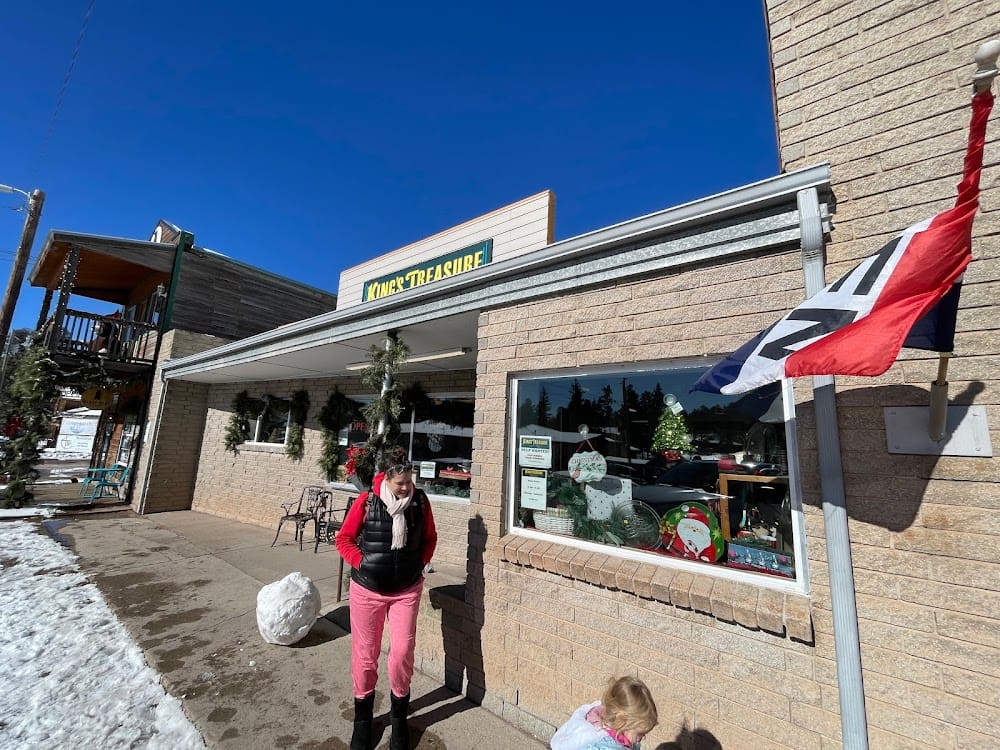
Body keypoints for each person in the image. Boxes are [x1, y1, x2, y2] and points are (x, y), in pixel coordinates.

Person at [335, 446, 437, 750]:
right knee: (366, 657)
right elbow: (343, 539)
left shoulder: (419, 501)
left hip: (406, 589)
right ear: (386, 478)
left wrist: (420, 562)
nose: (406, 487)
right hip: (368, 590)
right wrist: (361, 562)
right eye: (400, 483)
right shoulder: (368, 501)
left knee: (402, 652)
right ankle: (362, 723)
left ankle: (399, 720)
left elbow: (430, 538)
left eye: (409, 481)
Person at [550, 675, 658, 750]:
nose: (644, 737)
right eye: (640, 733)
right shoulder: (603, 746)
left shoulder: (618, 732)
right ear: (621, 721)